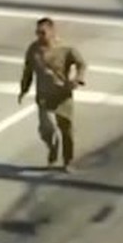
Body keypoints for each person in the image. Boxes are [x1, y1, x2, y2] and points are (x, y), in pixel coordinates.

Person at [18, 17, 87, 172]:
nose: (39, 36)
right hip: (44, 96)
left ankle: (68, 160)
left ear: (52, 31)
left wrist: (78, 78)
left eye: (43, 32)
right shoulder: (33, 50)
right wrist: (23, 89)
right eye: (38, 32)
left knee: (66, 129)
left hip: (63, 95)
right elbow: (28, 71)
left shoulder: (65, 48)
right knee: (46, 129)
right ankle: (52, 146)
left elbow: (81, 63)